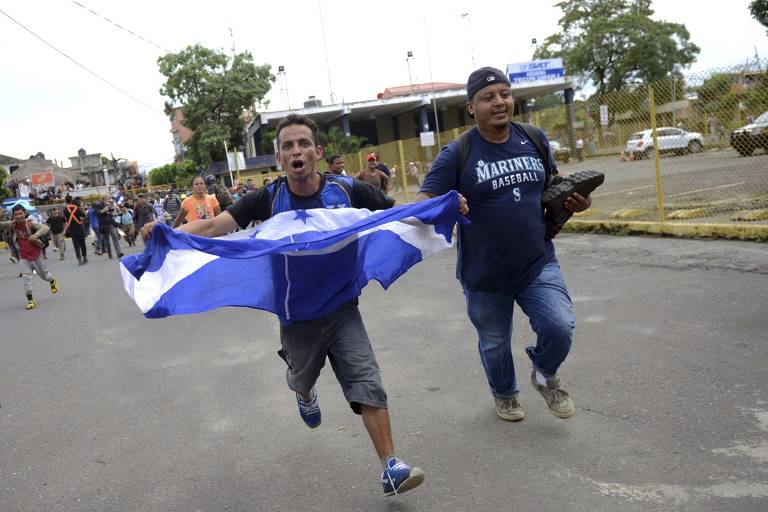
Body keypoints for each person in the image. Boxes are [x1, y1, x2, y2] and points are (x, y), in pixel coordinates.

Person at [142, 114, 425, 497]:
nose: (297, 151)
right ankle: (303, 391)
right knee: (303, 377)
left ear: (318, 152)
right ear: (279, 157)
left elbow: (398, 211)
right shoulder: (268, 197)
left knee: (366, 379)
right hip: (295, 316)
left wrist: (442, 204)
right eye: (288, 146)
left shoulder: (347, 190)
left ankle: (391, 466)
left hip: (343, 307)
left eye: (303, 144)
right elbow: (212, 228)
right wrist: (167, 234)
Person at [416, 67, 591, 423]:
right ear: (471, 107)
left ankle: (544, 374)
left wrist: (577, 201)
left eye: (505, 94)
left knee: (559, 326)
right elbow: (424, 201)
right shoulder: (458, 153)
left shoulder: (534, 138)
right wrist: (448, 203)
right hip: (484, 272)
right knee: (494, 344)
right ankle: (505, 394)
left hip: (536, 261)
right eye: (488, 97)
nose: (500, 102)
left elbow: (553, 186)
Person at [0, 204, 58, 309]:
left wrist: (35, 235)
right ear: (13, 215)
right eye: (16, 214)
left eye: (20, 213)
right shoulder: (11, 225)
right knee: (27, 278)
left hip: (36, 254)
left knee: (44, 275)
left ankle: (52, 281)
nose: (18, 216)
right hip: (23, 257)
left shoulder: (31, 223)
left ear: (25, 213)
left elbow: (45, 228)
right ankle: (31, 300)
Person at [66, 198, 89, 265]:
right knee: (82, 244)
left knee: (76, 246)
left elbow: (67, 218)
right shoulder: (77, 209)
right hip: (79, 228)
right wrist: (82, 208)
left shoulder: (65, 210)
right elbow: (84, 216)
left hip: (72, 229)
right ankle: (84, 257)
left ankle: (79, 260)